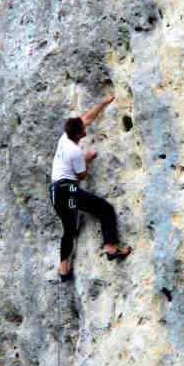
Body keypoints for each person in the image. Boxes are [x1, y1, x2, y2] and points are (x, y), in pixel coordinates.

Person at [48, 94, 132, 282]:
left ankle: (63, 268)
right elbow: (81, 176)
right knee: (104, 208)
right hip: (68, 190)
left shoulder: (64, 139)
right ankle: (110, 247)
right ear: (80, 134)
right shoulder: (75, 152)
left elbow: (87, 117)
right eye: (83, 129)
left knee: (69, 228)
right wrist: (87, 159)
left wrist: (103, 102)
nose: (86, 128)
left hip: (54, 191)